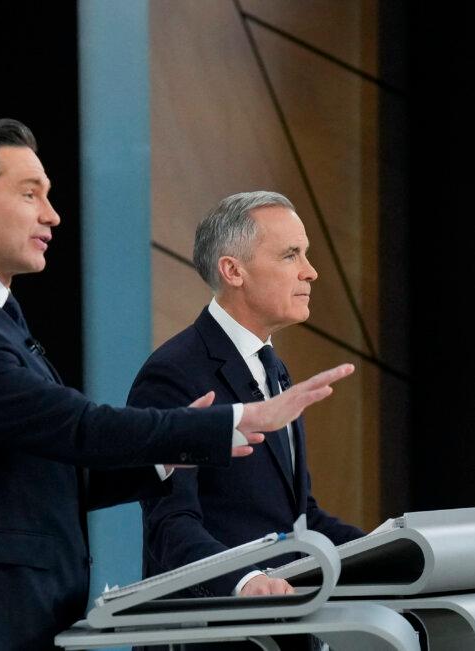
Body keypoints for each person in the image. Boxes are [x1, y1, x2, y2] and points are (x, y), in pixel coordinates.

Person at [0, 120, 352, 650]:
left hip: (19, 615)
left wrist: (165, 457)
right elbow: (78, 427)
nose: (52, 214)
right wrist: (226, 423)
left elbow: (52, 475)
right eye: (30, 194)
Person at [129, 192, 364, 611]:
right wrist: (246, 581)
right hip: (212, 626)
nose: (310, 271)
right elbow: (170, 524)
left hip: (281, 623)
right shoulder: (173, 373)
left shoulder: (274, 368)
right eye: (291, 255)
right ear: (233, 270)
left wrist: (398, 550)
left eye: (305, 254)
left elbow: (299, 517)